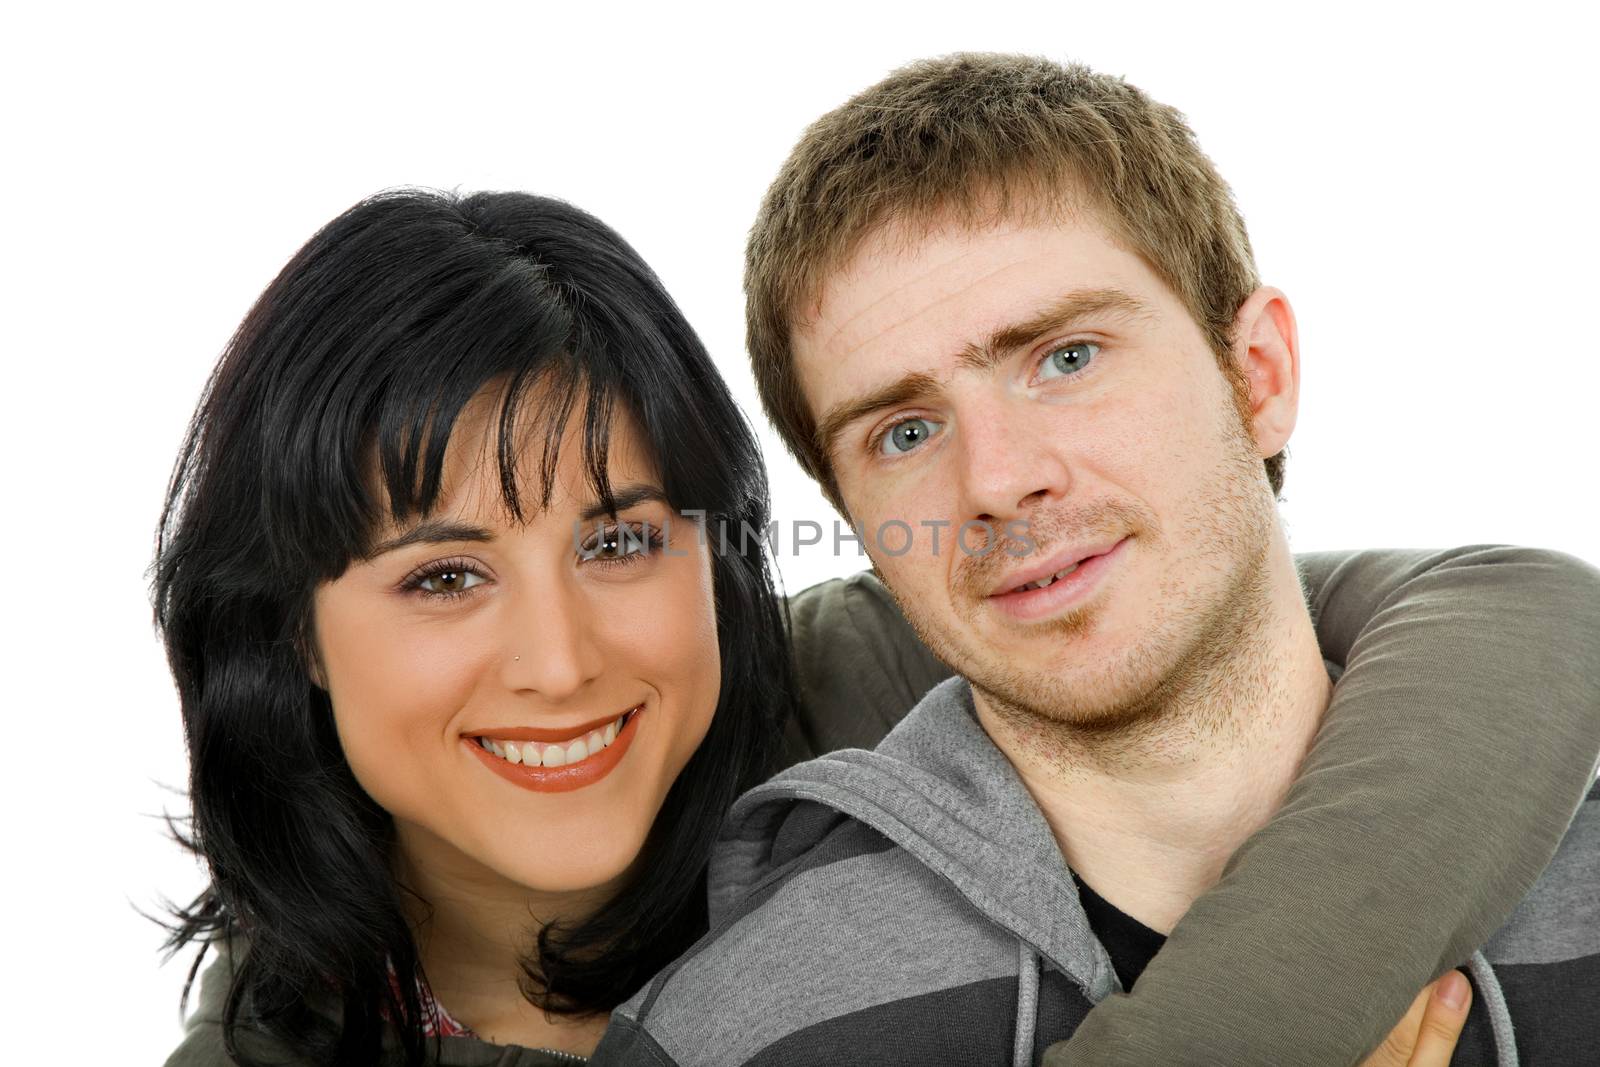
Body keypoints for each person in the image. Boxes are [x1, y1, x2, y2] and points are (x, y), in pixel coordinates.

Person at [154, 191, 1598, 1067]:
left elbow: (1515, 623)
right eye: (443, 575)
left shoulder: (846, 672)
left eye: (617, 539)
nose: (558, 657)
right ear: (286, 632)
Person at [595, 55, 1600, 1066]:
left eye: (1065, 357)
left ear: (1258, 374)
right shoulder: (722, 1035)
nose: (996, 478)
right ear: (853, 517)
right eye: (903, 432)